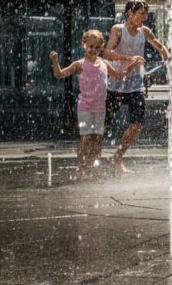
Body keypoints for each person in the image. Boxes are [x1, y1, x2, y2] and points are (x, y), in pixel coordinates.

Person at [49, 29, 140, 180]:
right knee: (86, 138)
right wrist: (55, 61)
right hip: (85, 107)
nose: (93, 50)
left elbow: (118, 76)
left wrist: (131, 65)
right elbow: (59, 74)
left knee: (97, 139)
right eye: (90, 46)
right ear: (83, 45)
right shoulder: (79, 64)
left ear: (102, 48)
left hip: (100, 108)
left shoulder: (104, 63)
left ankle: (93, 166)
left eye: (97, 47)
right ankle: (80, 167)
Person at [102, 0, 169, 173]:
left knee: (138, 123)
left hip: (135, 85)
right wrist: (128, 59)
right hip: (116, 84)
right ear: (130, 14)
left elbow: (160, 46)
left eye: (146, 13)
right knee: (104, 123)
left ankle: (118, 157)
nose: (145, 17)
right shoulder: (118, 30)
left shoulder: (144, 31)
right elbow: (107, 53)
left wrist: (169, 59)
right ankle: (91, 157)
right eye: (141, 13)